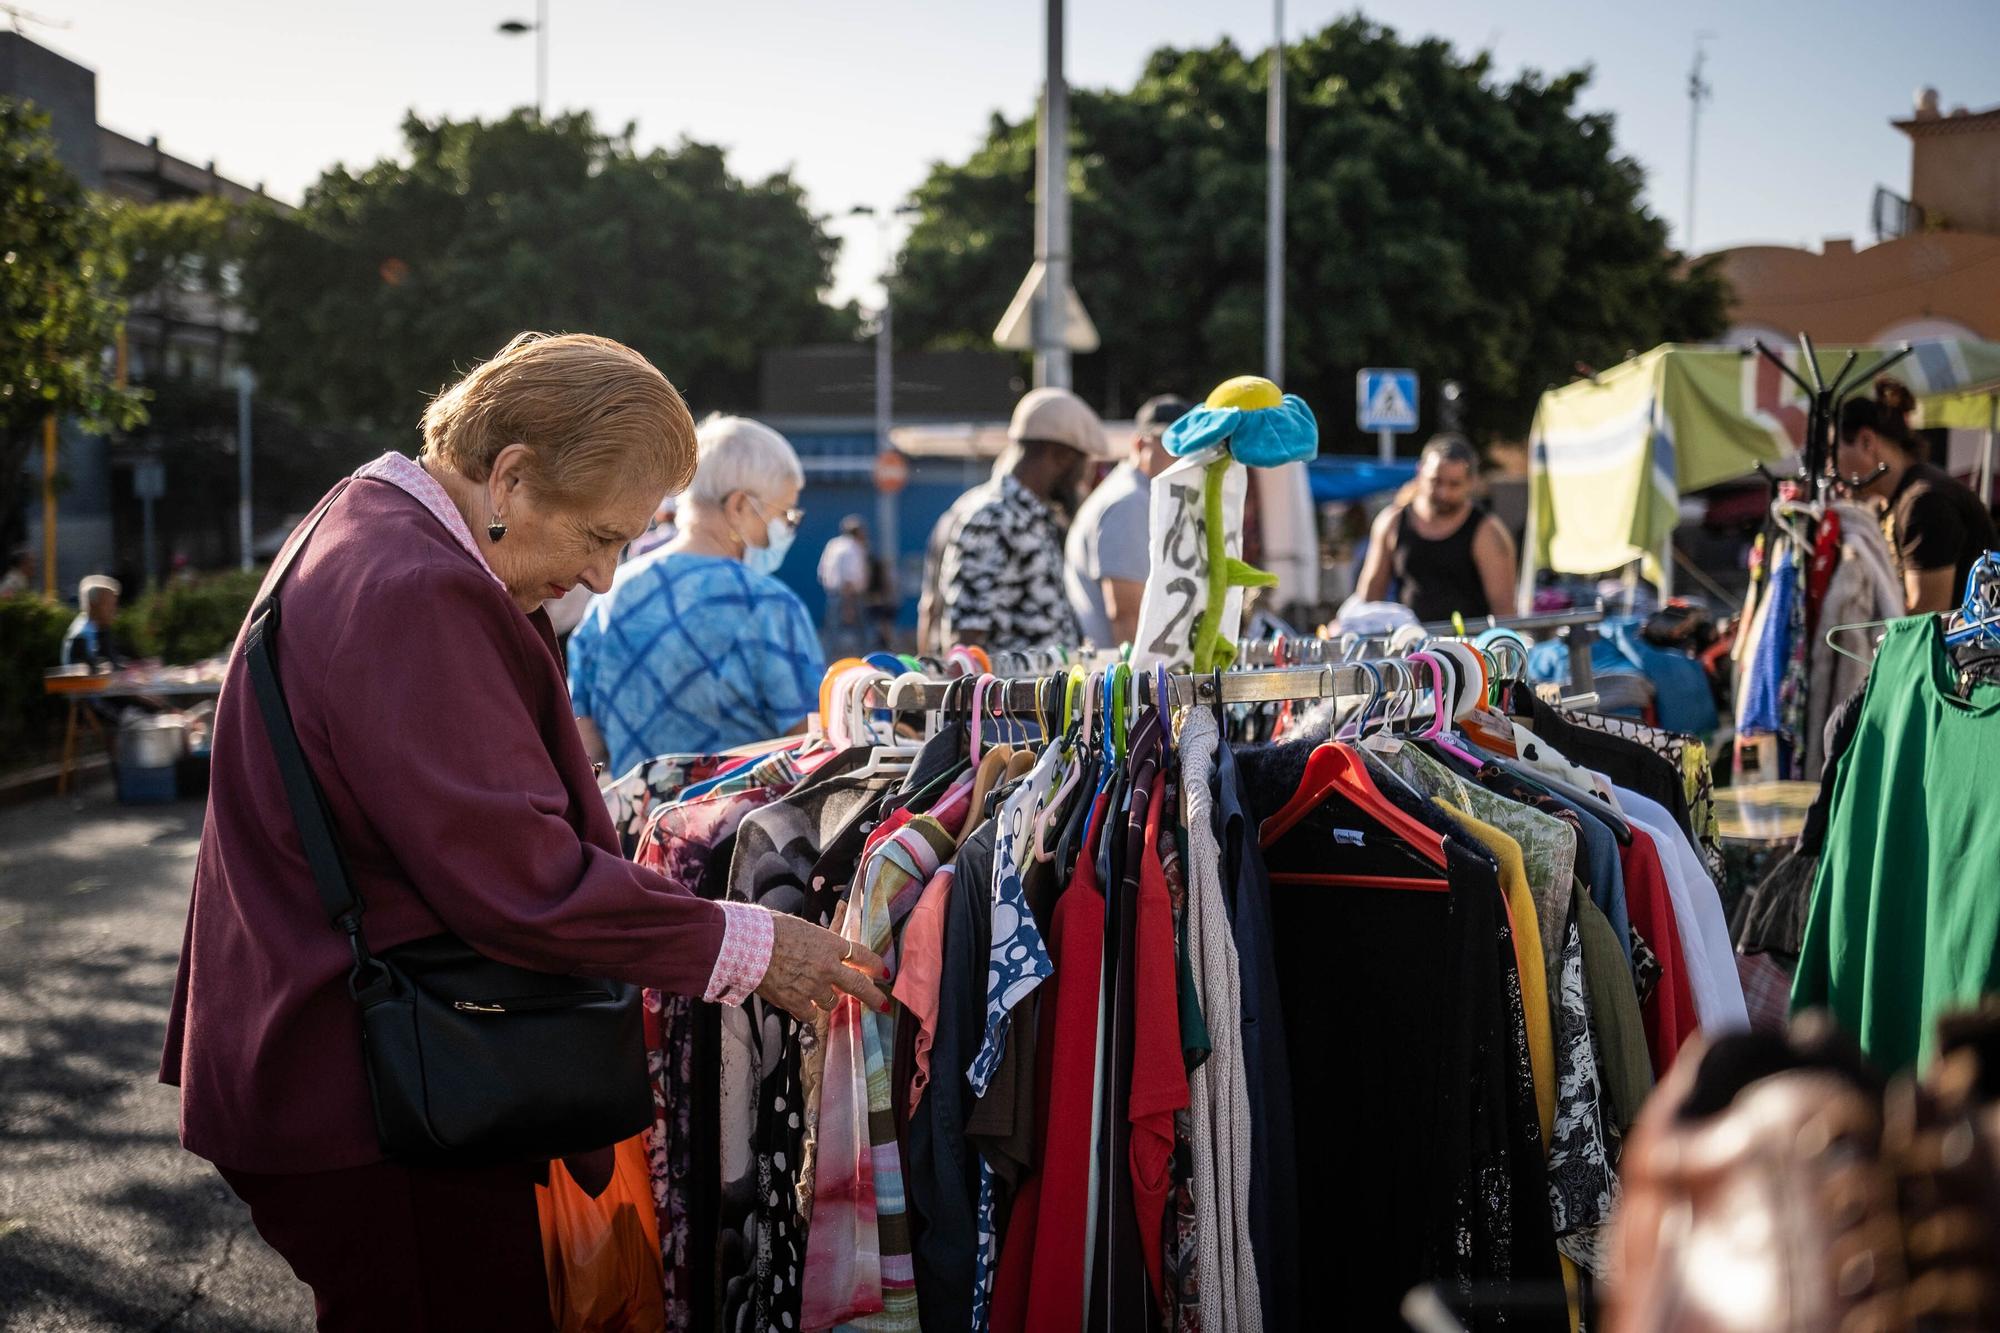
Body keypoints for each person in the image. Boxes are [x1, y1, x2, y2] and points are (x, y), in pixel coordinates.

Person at [160, 334, 882, 1331]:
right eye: (596, 534)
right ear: (509, 474)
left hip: (346, 1063)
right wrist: (748, 943)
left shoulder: (373, 524)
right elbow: (518, 876)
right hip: (375, 1090)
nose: (598, 574)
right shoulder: (417, 586)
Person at [568, 413, 824, 777]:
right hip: (739, 828)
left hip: (636, 827)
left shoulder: (614, 592)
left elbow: (583, 735)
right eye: (785, 514)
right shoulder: (767, 606)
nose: (787, 528)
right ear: (738, 506)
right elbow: (813, 743)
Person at [937, 387, 1107, 653]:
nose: (1082, 481)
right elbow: (965, 639)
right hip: (1010, 693)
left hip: (1046, 690)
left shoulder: (1034, 516)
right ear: (1060, 456)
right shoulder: (992, 517)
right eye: (1083, 465)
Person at [1835, 375, 1999, 613]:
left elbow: (1925, 617)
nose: (1831, 469)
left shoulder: (1924, 502)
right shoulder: (1899, 500)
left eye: (1834, 454)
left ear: (1866, 442)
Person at [1063, 393, 1189, 648]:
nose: (1183, 456)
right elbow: (1126, 619)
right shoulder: (1129, 503)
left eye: (1190, 446)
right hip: (1116, 681)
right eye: (1172, 444)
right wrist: (1146, 688)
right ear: (1140, 445)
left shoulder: (1133, 495)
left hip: (1111, 677)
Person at [1355, 433, 1518, 622]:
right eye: (1436, 481)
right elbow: (1369, 599)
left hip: (1468, 647)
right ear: (1420, 472)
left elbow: (1504, 611)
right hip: (1409, 645)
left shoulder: (1487, 532)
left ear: (1471, 483)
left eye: (1454, 484)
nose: (1443, 493)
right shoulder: (1391, 522)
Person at [818, 514, 872, 657]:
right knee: (861, 632)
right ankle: (865, 660)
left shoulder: (833, 544)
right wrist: (848, 605)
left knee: (832, 630)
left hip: (834, 593)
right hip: (850, 595)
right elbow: (849, 577)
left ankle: (827, 659)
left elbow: (822, 571)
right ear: (856, 531)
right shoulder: (852, 547)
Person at [62, 574, 135, 669]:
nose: (114, 610)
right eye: (109, 605)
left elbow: (112, 662)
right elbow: (86, 674)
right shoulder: (80, 636)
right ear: (93, 605)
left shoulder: (100, 629)